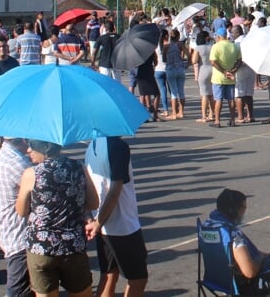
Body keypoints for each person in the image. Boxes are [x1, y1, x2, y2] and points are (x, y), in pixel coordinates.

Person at [16, 140, 100, 297]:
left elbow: (21, 211)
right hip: (73, 245)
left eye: (33, 146)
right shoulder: (77, 167)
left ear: (46, 149)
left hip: (41, 248)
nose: (28, 150)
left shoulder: (32, 173)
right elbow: (94, 202)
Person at [204, 189, 270, 296]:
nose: (244, 212)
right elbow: (250, 272)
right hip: (246, 287)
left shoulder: (207, 227)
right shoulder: (232, 235)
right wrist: (261, 258)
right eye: (243, 208)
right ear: (233, 211)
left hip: (218, 283)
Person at [85, 137, 149, 297]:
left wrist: (92, 218)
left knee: (108, 276)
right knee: (138, 279)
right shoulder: (118, 146)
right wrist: (98, 222)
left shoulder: (92, 145)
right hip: (123, 226)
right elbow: (115, 189)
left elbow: (88, 184)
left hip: (104, 223)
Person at [0, 137, 33, 297]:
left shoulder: (6, 155)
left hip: (10, 230)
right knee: (19, 289)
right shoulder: (17, 163)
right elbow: (41, 191)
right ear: (23, 139)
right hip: (20, 236)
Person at [209, 27, 241, 128]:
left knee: (218, 99)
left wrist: (223, 71)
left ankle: (217, 121)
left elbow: (213, 62)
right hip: (231, 76)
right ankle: (232, 120)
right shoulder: (235, 46)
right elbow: (240, 60)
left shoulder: (216, 46)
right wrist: (234, 69)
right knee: (231, 99)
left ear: (218, 36)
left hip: (219, 77)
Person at [163, 29, 187, 119]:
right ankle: (181, 112)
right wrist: (186, 62)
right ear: (178, 37)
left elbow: (164, 59)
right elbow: (188, 54)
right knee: (181, 91)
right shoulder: (180, 45)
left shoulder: (166, 46)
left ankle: (174, 113)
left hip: (170, 68)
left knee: (173, 92)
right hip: (180, 68)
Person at [192, 31, 215, 123]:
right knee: (211, 94)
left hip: (203, 69)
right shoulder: (212, 46)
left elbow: (194, 61)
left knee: (204, 94)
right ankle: (212, 114)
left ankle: (204, 116)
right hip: (212, 69)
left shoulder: (198, 48)